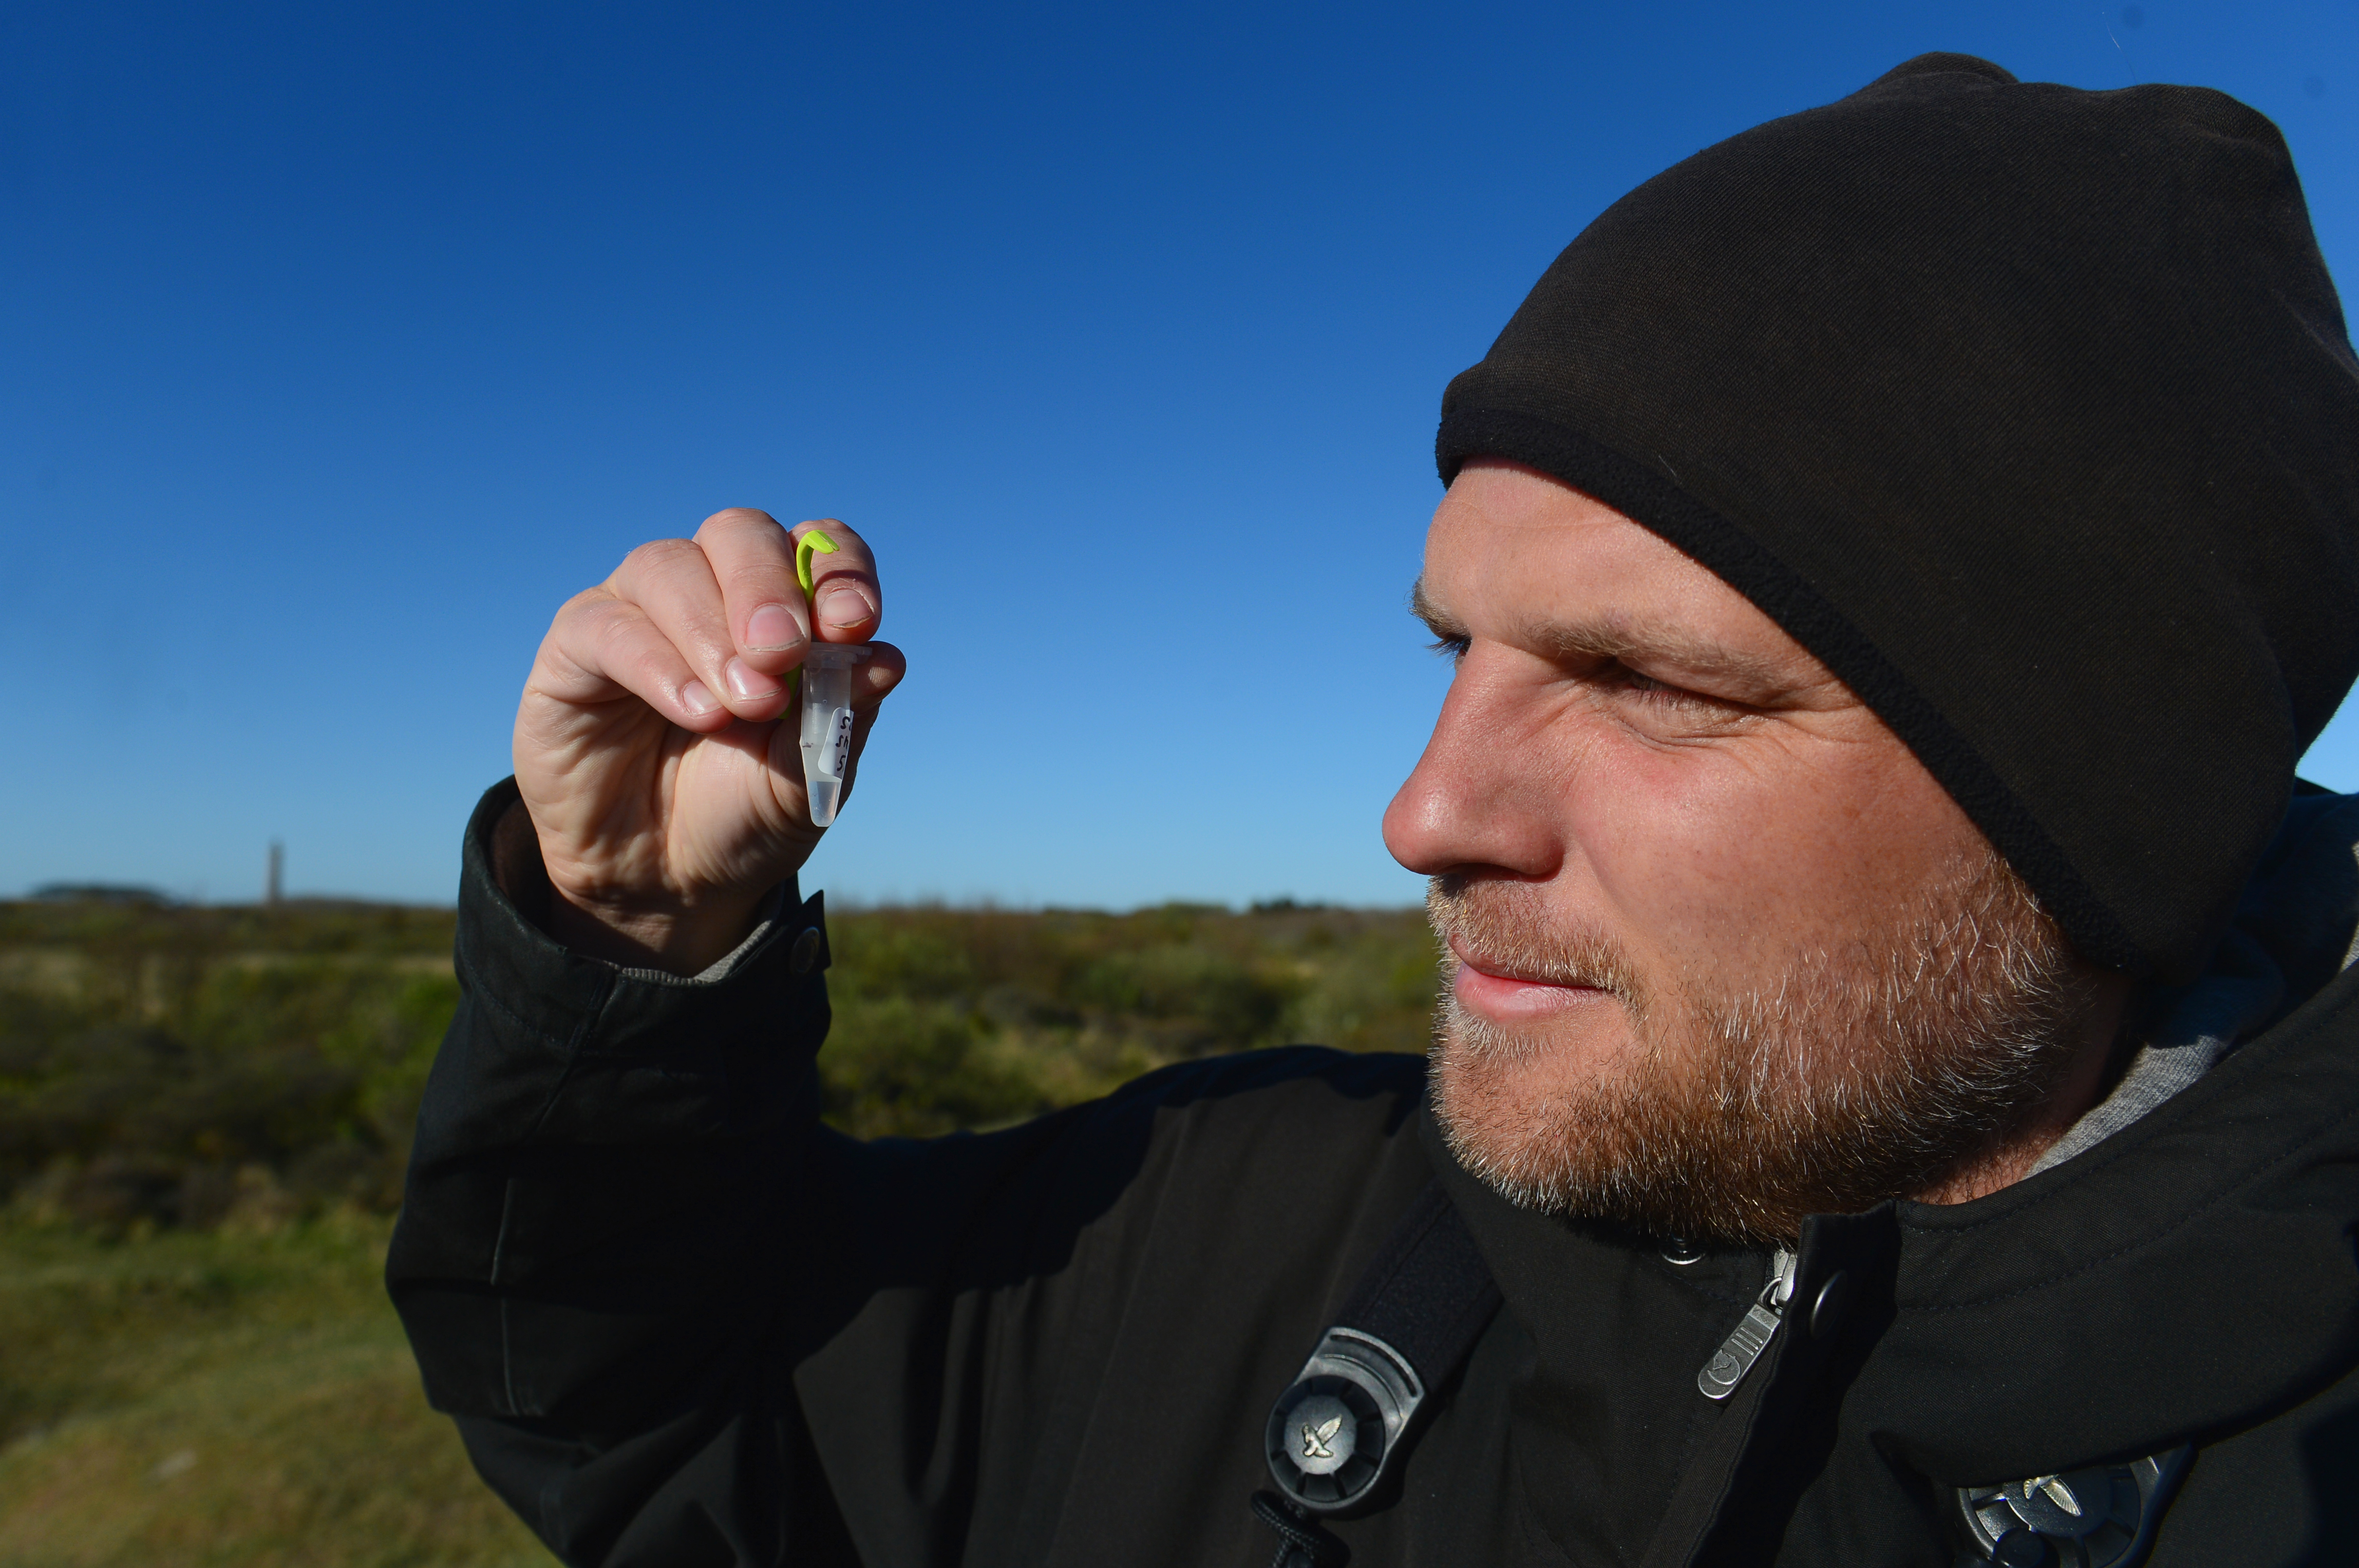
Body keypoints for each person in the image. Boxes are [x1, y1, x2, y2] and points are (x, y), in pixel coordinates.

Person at [388, 53, 2359, 1567]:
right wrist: (639, 952)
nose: (1422, 814)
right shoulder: (1264, 1218)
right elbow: (666, 1415)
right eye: (1454, 656)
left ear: (2098, 806)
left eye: (1650, 683)